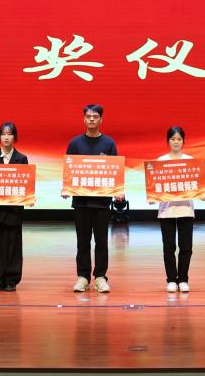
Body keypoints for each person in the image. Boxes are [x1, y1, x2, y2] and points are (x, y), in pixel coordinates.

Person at [66, 104, 122, 293]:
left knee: (102, 242)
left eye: (95, 116)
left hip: (102, 203)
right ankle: (82, 277)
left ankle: (100, 277)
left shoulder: (109, 143)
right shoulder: (75, 143)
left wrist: (118, 190)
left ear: (101, 119)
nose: (91, 119)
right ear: (84, 119)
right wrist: (66, 187)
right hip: (81, 202)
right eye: (88, 116)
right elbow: (69, 170)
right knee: (82, 242)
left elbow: (115, 171)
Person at [154, 126, 204, 293]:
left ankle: (183, 279)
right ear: (168, 141)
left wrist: (202, 193)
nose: (176, 142)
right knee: (168, 247)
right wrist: (152, 196)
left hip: (185, 209)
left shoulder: (190, 160)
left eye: (179, 139)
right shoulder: (161, 161)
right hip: (166, 210)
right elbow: (155, 186)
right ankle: (171, 279)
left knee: (186, 247)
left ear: (183, 141)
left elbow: (197, 184)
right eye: (173, 139)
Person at [0, 122, 28, 292]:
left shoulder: (21, 159)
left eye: (10, 134)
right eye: (3, 134)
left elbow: (26, 183)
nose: (6, 137)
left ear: (15, 137)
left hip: (14, 211)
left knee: (13, 246)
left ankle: (11, 279)